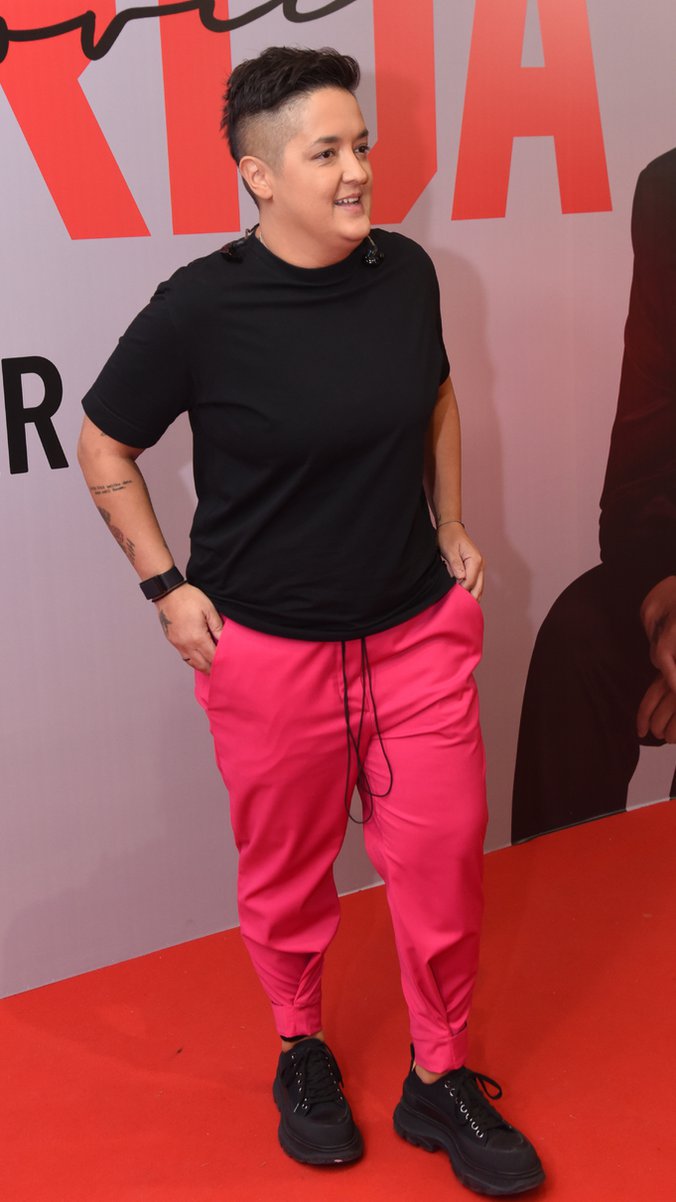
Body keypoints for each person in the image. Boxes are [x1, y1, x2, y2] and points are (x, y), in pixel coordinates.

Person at [78, 46, 544, 1196]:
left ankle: (438, 1074)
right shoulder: (202, 305)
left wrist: (452, 518)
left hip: (415, 637)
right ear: (259, 174)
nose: (356, 171)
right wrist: (165, 586)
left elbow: (435, 393)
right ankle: (302, 1049)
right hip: (269, 656)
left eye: (361, 145)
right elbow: (104, 443)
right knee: (287, 881)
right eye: (325, 151)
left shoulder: (406, 274)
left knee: (442, 867)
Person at [512, 149, 676, 843]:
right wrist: (665, 604)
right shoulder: (669, 191)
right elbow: (645, 451)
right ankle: (560, 903)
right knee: (578, 640)